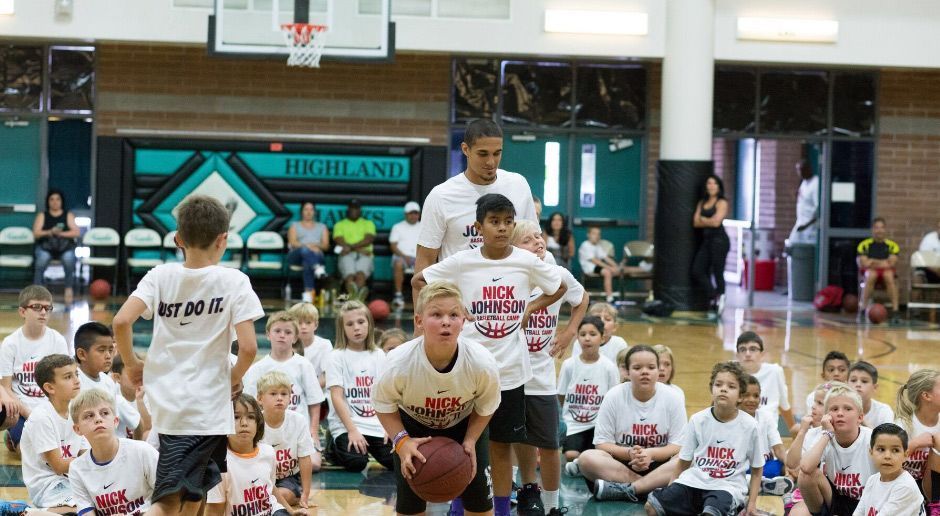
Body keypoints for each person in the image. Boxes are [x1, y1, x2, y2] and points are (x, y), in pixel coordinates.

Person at [412, 193, 565, 516]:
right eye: (494, 222)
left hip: (509, 372)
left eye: (508, 222)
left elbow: (559, 286)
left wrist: (529, 308)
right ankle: (459, 506)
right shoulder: (464, 261)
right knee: (462, 446)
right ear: (479, 226)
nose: (502, 228)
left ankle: (501, 511)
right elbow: (419, 280)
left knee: (500, 447)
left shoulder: (525, 262)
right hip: (467, 370)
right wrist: (452, 309)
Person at [113, 195, 264, 516]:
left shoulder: (159, 275)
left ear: (178, 239)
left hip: (169, 403)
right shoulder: (234, 281)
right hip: (204, 406)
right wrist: (233, 379)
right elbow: (249, 348)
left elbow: (121, 321)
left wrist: (131, 364)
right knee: (168, 499)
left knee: (197, 491)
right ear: (224, 239)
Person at [372, 281, 501, 516]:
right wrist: (401, 441)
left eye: (454, 314)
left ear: (463, 321)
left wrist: (471, 440)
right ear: (419, 321)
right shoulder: (398, 362)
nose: (446, 321)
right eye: (436, 314)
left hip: (465, 425)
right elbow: (383, 405)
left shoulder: (481, 362)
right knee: (409, 509)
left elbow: (486, 405)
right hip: (413, 427)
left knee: (480, 507)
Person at [512, 219, 589, 515]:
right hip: (509, 375)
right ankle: (521, 492)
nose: (539, 242)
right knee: (512, 439)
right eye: (529, 240)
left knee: (549, 443)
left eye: (539, 236)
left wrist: (569, 333)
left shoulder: (557, 274)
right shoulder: (507, 278)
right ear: (514, 248)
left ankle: (553, 506)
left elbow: (582, 299)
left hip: (542, 375)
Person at [414, 119, 538, 278]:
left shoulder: (518, 185)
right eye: (483, 153)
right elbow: (425, 260)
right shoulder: (441, 196)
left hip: (509, 294)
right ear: (466, 149)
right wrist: (423, 302)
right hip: (459, 297)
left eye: (497, 153)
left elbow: (532, 244)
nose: (491, 162)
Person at [646, 362, 763, 516]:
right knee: (652, 507)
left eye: (731, 386)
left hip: (726, 488)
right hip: (693, 482)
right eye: (718, 384)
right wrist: (670, 490)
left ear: (740, 396)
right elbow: (683, 462)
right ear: (711, 389)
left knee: (711, 513)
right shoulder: (698, 420)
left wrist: (752, 504)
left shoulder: (750, 426)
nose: (723, 389)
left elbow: (756, 470)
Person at [579, 346, 687, 503]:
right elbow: (601, 444)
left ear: (658, 371)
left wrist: (651, 454)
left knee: (690, 459)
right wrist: (629, 453)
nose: (645, 372)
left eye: (651, 367)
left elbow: (678, 446)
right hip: (623, 464)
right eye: (637, 367)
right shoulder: (614, 396)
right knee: (586, 459)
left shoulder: (673, 397)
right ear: (627, 372)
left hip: (660, 465)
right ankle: (649, 489)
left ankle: (629, 490)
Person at [325, 300, 393, 473]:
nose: (356, 328)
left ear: (369, 324)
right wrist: (352, 430)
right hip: (347, 424)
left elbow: (387, 394)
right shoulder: (336, 357)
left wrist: (389, 427)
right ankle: (332, 444)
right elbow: (336, 396)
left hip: (375, 423)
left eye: (361, 322)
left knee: (394, 460)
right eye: (350, 324)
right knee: (357, 462)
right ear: (342, 329)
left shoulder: (378, 355)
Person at [68, 388, 159, 516]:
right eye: (89, 416)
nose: (98, 419)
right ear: (77, 429)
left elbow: (169, 500)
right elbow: (86, 513)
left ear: (115, 421)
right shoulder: (77, 469)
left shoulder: (143, 451)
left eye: (104, 413)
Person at [0, 285, 69, 451]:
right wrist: (31, 415)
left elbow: (65, 382)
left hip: (51, 409)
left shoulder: (57, 340)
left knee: (63, 450)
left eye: (47, 308)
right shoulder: (10, 344)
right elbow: (6, 388)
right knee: (31, 454)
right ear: (22, 311)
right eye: (37, 307)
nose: (43, 312)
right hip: (22, 412)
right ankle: (11, 435)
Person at [790, 382, 874, 516]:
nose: (840, 413)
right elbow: (805, 468)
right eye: (834, 409)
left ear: (860, 417)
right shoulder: (821, 435)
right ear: (826, 416)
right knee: (806, 476)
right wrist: (828, 434)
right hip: (835, 500)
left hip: (868, 503)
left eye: (847, 409)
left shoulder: (872, 438)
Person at [206, 395, 292, 516]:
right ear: (224, 423)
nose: (244, 423)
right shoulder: (218, 465)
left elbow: (271, 488)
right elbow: (214, 511)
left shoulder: (268, 452)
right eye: (236, 417)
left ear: (258, 423)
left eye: (251, 417)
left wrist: (291, 512)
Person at [20, 354, 86, 513]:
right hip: (47, 485)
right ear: (50, 387)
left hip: (71, 479)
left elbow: (85, 452)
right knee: (85, 511)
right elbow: (59, 466)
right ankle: (27, 512)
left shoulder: (76, 411)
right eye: (68, 377)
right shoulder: (41, 417)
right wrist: (97, 460)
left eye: (76, 374)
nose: (76, 380)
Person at [242, 311, 324, 438]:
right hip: (266, 432)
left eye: (288, 332)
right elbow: (250, 405)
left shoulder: (304, 365)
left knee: (315, 459)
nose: (282, 335)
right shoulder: (256, 369)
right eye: (277, 331)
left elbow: (314, 402)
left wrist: (313, 432)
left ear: (295, 337)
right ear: (268, 334)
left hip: (298, 432)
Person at [558, 317, 620, 471]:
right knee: (571, 454)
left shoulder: (609, 367)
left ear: (602, 337)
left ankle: (581, 465)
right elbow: (561, 395)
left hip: (598, 425)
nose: (587, 338)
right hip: (573, 424)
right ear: (577, 337)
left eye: (593, 334)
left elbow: (614, 397)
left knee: (601, 453)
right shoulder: (569, 365)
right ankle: (582, 464)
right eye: (583, 334)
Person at [255, 371, 318, 509]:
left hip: (287, 477)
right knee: (261, 497)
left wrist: (306, 494)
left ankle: (293, 496)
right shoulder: (255, 422)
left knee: (282, 496)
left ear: (290, 397)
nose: (279, 398)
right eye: (273, 394)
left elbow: (305, 458)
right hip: (260, 476)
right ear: (260, 398)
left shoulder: (298, 420)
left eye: (284, 394)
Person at [852, 423, 926, 516]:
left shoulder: (905, 487)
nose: (887, 456)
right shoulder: (872, 480)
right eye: (881, 449)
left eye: (895, 450)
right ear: (871, 452)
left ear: (905, 455)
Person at [739, 375, 794, 496]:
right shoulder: (733, 418)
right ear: (738, 396)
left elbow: (778, 447)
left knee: (792, 464)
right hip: (742, 467)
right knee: (734, 473)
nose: (752, 399)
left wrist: (788, 465)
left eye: (756, 396)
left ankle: (756, 484)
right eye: (746, 395)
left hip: (766, 466)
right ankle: (763, 484)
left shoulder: (766, 417)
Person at [735, 331, 796, 431]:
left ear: (762, 354)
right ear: (737, 355)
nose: (747, 354)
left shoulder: (775, 371)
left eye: (753, 349)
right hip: (739, 430)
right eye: (742, 349)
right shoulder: (731, 372)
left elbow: (784, 404)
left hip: (767, 432)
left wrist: (793, 428)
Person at [894, 369, 940, 503]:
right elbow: (887, 465)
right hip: (901, 490)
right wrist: (913, 445)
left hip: (932, 489)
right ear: (926, 396)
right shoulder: (901, 425)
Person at [32, 189, 80, 305]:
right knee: (41, 261)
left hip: (64, 247)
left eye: (57, 199)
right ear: (48, 201)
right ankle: (37, 291)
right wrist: (50, 232)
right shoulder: (43, 215)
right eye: (52, 199)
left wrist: (61, 233)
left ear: (61, 201)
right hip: (46, 247)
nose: (54, 202)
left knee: (69, 259)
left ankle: (68, 288)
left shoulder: (68, 215)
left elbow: (76, 232)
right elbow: (36, 233)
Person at [692, 174, 730, 314]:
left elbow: (716, 222)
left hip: (720, 241)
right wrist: (707, 220)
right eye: (709, 183)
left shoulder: (722, 202)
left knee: (718, 272)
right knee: (697, 270)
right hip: (707, 241)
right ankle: (714, 295)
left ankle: (721, 300)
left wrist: (704, 219)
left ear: (719, 186)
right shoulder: (702, 202)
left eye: (714, 183)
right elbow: (695, 222)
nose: (711, 186)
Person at [857, 217, 901, 321]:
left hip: (886, 272)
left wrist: (872, 261)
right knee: (871, 274)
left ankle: (895, 311)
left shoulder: (892, 246)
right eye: (876, 228)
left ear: (885, 229)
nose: (879, 230)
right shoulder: (864, 245)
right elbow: (864, 264)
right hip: (870, 272)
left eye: (881, 228)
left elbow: (892, 263)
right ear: (872, 229)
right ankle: (863, 309)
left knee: (888, 275)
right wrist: (882, 262)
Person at [287, 201, 330, 303]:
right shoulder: (294, 225)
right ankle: (317, 268)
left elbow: (325, 245)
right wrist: (309, 246)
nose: (308, 212)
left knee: (307, 263)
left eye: (311, 209)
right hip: (296, 255)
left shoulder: (322, 227)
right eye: (306, 209)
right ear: (302, 212)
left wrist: (315, 246)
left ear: (314, 212)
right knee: (305, 251)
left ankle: (308, 294)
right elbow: (293, 243)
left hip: (316, 255)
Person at [333, 199, 377, 299]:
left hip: (363, 255)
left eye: (356, 208)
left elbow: (368, 239)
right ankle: (356, 299)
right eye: (352, 208)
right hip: (347, 255)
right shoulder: (340, 224)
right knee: (350, 276)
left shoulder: (368, 223)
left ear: (360, 210)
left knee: (360, 275)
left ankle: (354, 300)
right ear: (348, 209)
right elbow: (339, 240)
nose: (354, 210)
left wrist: (350, 248)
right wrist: (358, 249)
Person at [288, 302, 331, 391]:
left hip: (319, 395)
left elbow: (326, 376)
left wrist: (308, 392)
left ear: (316, 325)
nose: (304, 326)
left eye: (308, 323)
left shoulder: (325, 345)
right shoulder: (287, 345)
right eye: (299, 323)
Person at [110, 353, 151, 440]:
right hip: (119, 442)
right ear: (117, 377)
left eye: (141, 372)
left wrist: (140, 400)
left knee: (147, 435)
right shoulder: (113, 394)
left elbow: (147, 428)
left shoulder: (146, 392)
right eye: (133, 373)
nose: (140, 377)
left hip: (140, 441)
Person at [389, 201, 423, 309]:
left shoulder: (424, 226)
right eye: (411, 213)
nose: (413, 216)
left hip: (419, 258)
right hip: (402, 257)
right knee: (398, 263)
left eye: (415, 213)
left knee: (428, 264)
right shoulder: (397, 227)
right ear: (405, 214)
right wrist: (405, 257)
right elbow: (393, 246)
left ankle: (424, 298)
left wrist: (419, 258)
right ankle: (398, 295)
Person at [578, 226, 622, 303]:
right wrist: (610, 268)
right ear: (588, 235)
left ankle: (619, 297)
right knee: (607, 272)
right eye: (594, 233)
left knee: (617, 271)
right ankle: (610, 297)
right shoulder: (585, 245)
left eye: (598, 234)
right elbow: (595, 261)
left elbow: (606, 258)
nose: (597, 236)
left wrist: (616, 266)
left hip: (597, 267)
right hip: (589, 268)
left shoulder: (597, 246)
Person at [847, 361, 895, 428]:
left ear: (874, 388)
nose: (858, 384)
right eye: (853, 380)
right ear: (846, 385)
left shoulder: (883, 411)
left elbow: (888, 437)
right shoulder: (838, 410)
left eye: (864, 381)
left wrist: (863, 423)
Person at [804, 351, 851, 415]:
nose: (836, 374)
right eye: (831, 370)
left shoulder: (855, 397)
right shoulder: (813, 397)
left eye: (842, 370)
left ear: (849, 374)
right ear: (823, 375)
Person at [789, 159, 819, 245]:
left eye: (802, 169)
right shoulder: (804, 182)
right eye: (798, 170)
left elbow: (818, 209)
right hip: (800, 223)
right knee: (791, 246)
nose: (800, 172)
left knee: (805, 251)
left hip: (810, 227)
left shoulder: (816, 183)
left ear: (808, 169)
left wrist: (806, 225)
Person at [652, 344, 686, 410]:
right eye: (657, 364)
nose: (662, 368)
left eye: (667, 364)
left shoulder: (677, 392)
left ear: (672, 367)